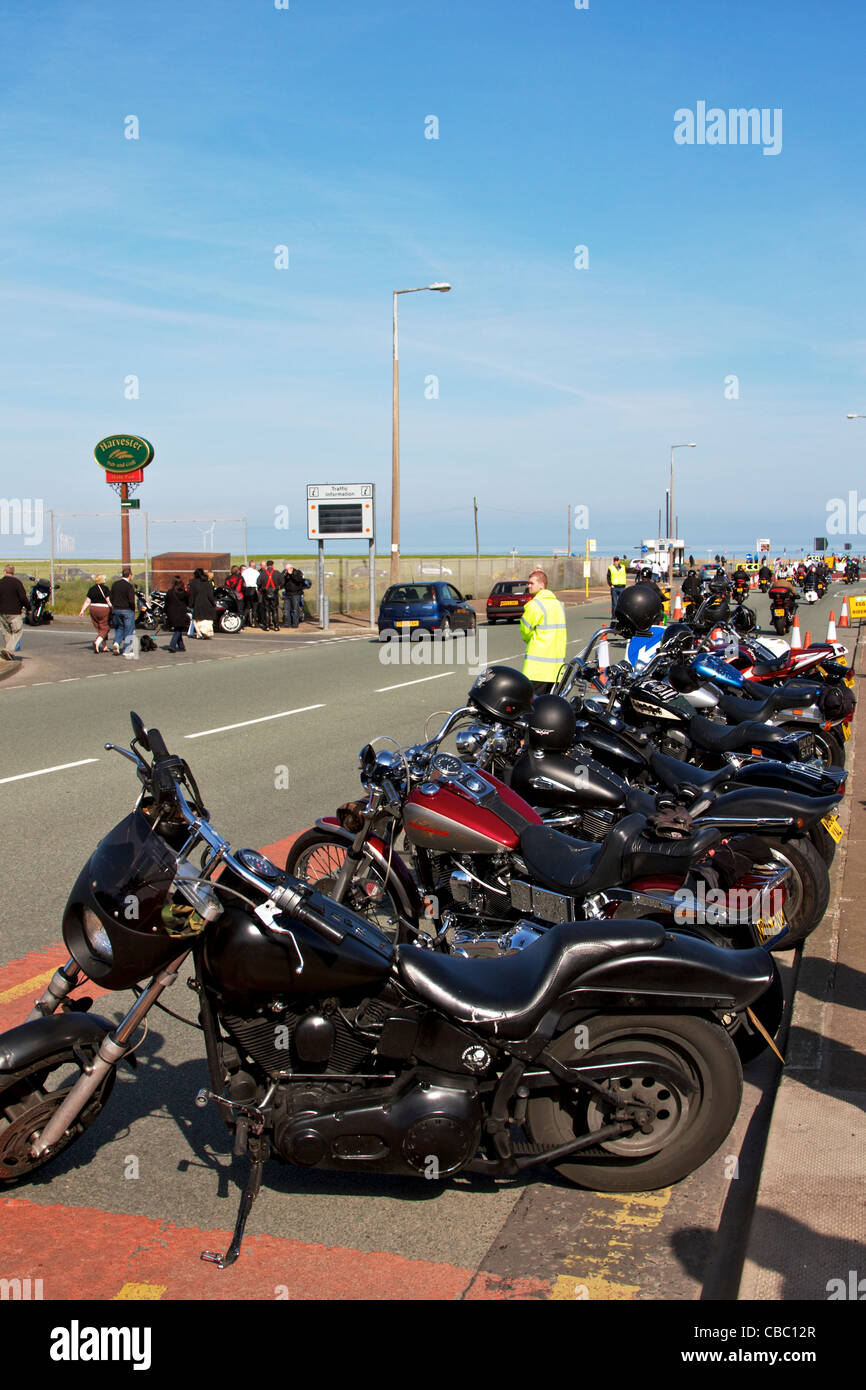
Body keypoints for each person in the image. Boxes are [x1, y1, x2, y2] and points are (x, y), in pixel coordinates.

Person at [519, 569, 567, 694]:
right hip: (556, 668)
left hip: (537, 670)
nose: (528, 586)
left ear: (541, 585)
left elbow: (525, 631)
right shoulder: (558, 605)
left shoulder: (534, 605)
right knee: (549, 705)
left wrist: (529, 638)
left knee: (533, 707)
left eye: (531, 583)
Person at [0, 564, 30, 661]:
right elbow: (23, 597)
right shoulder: (17, 583)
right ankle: (8, 650)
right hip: (14, 612)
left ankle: (8, 653)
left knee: (7, 632)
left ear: (4, 572)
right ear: (13, 573)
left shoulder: (0, 582)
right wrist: (28, 607)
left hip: (2, 612)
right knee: (17, 631)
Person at [79, 574, 112, 652]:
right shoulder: (105, 589)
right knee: (105, 627)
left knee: (99, 627)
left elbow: (87, 601)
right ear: (102, 580)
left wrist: (82, 610)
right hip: (104, 609)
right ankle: (97, 642)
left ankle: (104, 646)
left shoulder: (91, 589)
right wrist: (113, 608)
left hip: (93, 609)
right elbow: (108, 601)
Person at [109, 567, 136, 657]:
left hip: (117, 609)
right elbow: (131, 600)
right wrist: (133, 608)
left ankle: (116, 642)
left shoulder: (115, 584)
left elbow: (111, 597)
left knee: (120, 628)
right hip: (127, 610)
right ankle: (126, 650)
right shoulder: (129, 586)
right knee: (129, 630)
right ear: (130, 575)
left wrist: (115, 606)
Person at [188, 567, 217, 639]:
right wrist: (213, 603)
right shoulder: (208, 583)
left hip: (197, 604)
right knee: (207, 620)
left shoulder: (193, 583)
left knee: (197, 620)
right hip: (207, 604)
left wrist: (191, 604)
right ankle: (206, 633)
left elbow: (192, 595)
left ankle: (199, 633)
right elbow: (210, 596)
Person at [164, 576, 190, 653]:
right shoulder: (184, 593)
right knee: (178, 630)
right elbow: (188, 602)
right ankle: (172, 645)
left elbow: (166, 603)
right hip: (181, 613)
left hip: (172, 613)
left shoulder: (170, 592)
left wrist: (166, 612)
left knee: (178, 629)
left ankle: (181, 646)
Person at [257, 560, 281, 631]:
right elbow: (282, 582)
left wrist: (261, 589)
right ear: (272, 565)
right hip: (274, 593)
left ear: (267, 565)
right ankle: (276, 626)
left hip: (265, 593)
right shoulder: (277, 573)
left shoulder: (262, 573)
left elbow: (258, 583)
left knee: (266, 610)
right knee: (275, 610)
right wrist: (278, 588)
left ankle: (267, 626)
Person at [283, 564, 305, 628]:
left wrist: (291, 574)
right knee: (286, 609)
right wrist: (285, 574)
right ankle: (287, 623)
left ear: (291, 568)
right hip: (287, 594)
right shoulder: (285, 573)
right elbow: (282, 580)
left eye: (287, 569)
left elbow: (298, 580)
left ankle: (295, 624)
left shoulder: (297, 572)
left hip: (296, 594)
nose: (286, 570)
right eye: (286, 569)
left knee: (295, 609)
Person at [606, 555, 627, 620]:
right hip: (614, 587)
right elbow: (608, 577)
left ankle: (622, 615)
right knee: (614, 602)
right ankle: (614, 615)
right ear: (613, 561)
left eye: (617, 560)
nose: (616, 562)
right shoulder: (611, 568)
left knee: (621, 602)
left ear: (619, 561)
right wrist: (610, 585)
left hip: (621, 587)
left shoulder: (623, 567)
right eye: (615, 560)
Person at [241, 560, 260, 628]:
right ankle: (254, 622)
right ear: (254, 565)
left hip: (247, 590)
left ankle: (243, 622)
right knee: (255, 607)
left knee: (247, 607)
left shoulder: (244, 572)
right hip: (254, 589)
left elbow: (243, 581)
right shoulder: (256, 572)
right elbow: (258, 582)